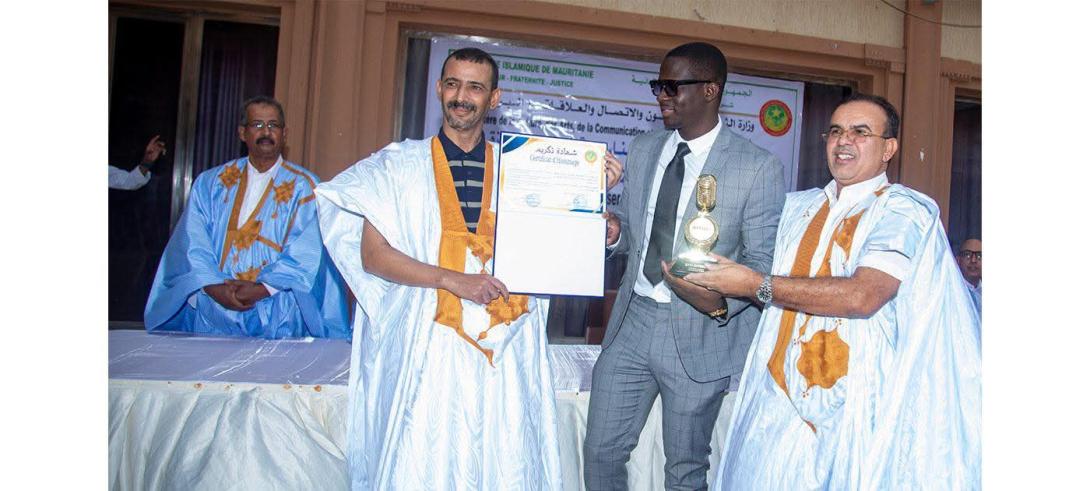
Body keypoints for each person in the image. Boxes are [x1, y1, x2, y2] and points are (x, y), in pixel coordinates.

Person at [315, 47, 622, 489]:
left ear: (494, 98)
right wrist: (451, 280)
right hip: (425, 345)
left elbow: (556, 249)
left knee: (506, 454)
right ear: (439, 88)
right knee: (423, 456)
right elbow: (373, 256)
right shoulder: (397, 166)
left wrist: (588, 197)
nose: (461, 97)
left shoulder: (525, 167)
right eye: (453, 84)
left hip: (507, 347)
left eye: (475, 87)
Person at [686, 94, 981, 489]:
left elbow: (864, 295)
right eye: (836, 131)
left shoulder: (905, 210)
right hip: (775, 404)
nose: (844, 141)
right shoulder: (797, 207)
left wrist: (756, 285)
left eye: (861, 132)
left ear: (889, 149)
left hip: (856, 412)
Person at [584, 42, 785, 490]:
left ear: (711, 90)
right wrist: (615, 234)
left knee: (685, 470)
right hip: (632, 323)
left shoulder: (758, 167)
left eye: (672, 87)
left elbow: (761, 263)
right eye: (658, 86)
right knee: (600, 453)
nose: (662, 96)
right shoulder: (644, 148)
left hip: (701, 330)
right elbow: (633, 231)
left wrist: (717, 304)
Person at [144, 96, 350, 339]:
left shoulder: (306, 188)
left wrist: (262, 289)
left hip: (277, 312)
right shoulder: (210, 183)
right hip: (215, 310)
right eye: (257, 125)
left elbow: (308, 254)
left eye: (273, 125)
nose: (266, 132)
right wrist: (214, 287)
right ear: (242, 133)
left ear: (284, 134)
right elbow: (192, 242)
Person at [957, 238, 982, 311]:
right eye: (967, 255)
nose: (973, 260)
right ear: (958, 260)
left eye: (979, 256)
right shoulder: (950, 290)